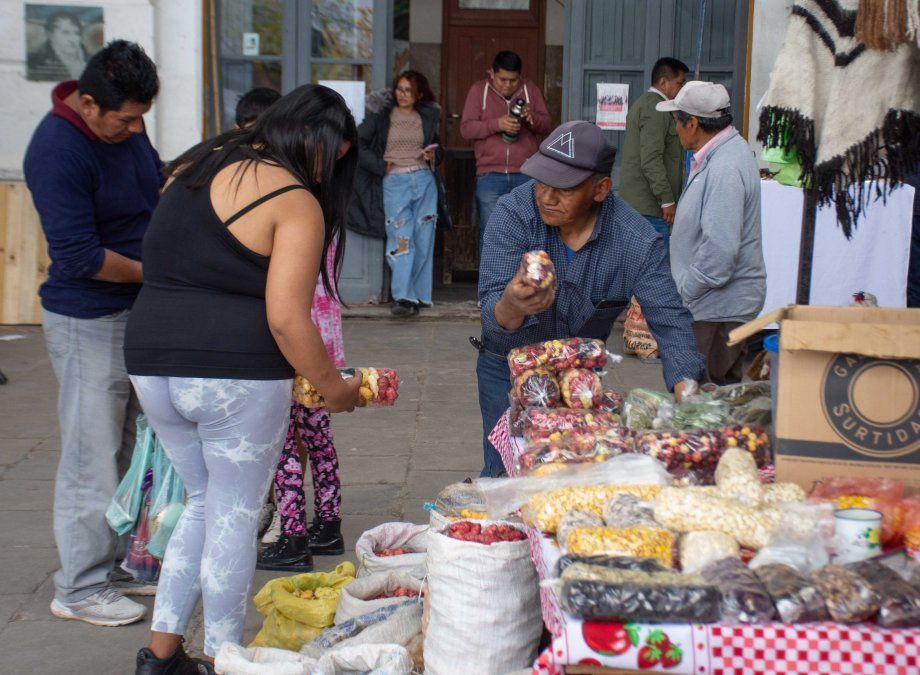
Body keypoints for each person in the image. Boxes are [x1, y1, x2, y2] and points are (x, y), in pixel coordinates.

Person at [123, 84, 364, 672]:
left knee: (201, 505)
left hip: (152, 361)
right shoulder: (293, 199)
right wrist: (336, 388)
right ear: (316, 140)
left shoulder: (192, 166)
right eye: (331, 158)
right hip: (234, 373)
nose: (327, 173)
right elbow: (287, 320)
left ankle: (161, 656)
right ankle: (224, 658)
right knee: (233, 515)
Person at [477, 121, 705, 476]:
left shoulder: (635, 240)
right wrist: (512, 303)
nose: (546, 197)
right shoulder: (514, 215)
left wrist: (688, 396)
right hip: (507, 371)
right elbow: (493, 314)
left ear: (600, 190)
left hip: (579, 384)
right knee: (506, 478)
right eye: (541, 182)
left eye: (564, 188)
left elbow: (670, 321)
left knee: (575, 479)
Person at [23, 40, 161, 628]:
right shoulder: (56, 150)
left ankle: (122, 563)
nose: (134, 129)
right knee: (91, 457)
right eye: (125, 119)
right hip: (88, 319)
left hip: (139, 310)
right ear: (86, 102)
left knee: (133, 448)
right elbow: (80, 256)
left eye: (141, 118)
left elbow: (155, 185)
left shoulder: (127, 131)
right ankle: (78, 587)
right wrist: (161, 271)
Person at [658, 82, 765, 385]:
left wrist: (683, 295)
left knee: (701, 404)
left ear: (692, 123)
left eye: (676, 123)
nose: (675, 131)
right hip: (712, 305)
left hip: (716, 309)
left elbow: (719, 252)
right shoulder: (719, 154)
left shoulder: (725, 167)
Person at [352, 70, 442, 317]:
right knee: (401, 238)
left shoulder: (427, 115)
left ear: (419, 94)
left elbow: (438, 147)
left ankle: (420, 296)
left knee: (424, 239)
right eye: (400, 89)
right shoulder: (381, 116)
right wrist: (381, 166)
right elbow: (357, 143)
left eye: (409, 90)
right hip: (395, 182)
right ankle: (402, 296)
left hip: (424, 180)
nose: (403, 95)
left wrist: (433, 155)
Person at [460, 50, 552, 255]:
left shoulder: (530, 90)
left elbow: (546, 126)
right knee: (492, 230)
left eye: (513, 80)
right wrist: (497, 124)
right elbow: (466, 129)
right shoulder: (479, 91)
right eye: (502, 79)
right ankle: (493, 283)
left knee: (529, 230)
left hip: (526, 173)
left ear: (521, 76)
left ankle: (528, 282)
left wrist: (532, 119)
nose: (508, 85)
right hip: (490, 174)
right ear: (491, 73)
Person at [618, 57, 690, 250]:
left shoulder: (649, 104)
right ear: (664, 82)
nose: (682, 89)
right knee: (654, 271)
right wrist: (666, 199)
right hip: (648, 207)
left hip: (644, 205)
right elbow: (651, 159)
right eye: (679, 83)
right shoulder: (656, 107)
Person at [28, 11, 89, 81]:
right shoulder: (36, 64)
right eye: (65, 33)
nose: (72, 39)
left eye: (76, 33)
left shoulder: (90, 60)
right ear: (50, 35)